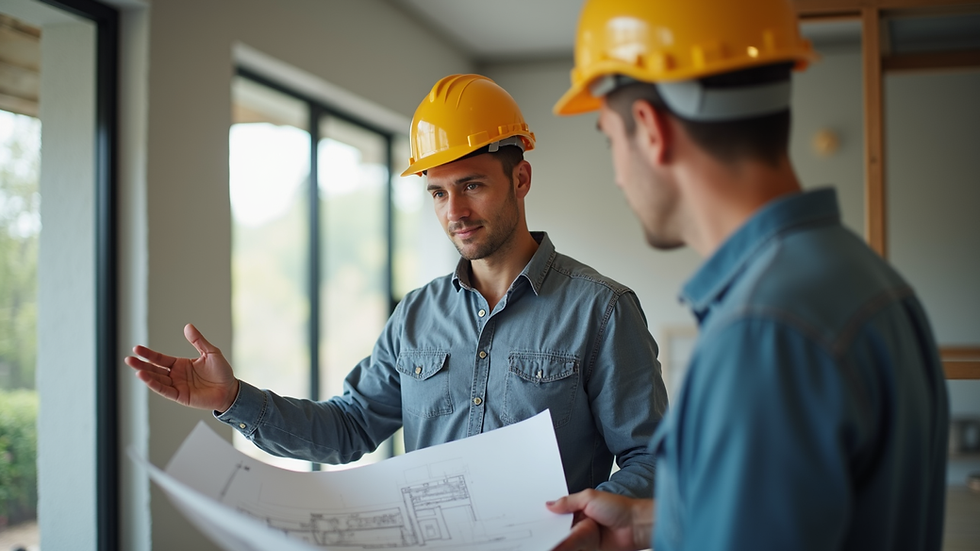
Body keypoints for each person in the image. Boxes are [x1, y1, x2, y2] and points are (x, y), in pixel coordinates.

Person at [126, 73, 669, 498]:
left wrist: (577, 525)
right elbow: (348, 428)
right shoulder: (415, 316)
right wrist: (234, 399)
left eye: (472, 186)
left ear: (520, 179)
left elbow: (652, 461)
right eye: (438, 193)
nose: (454, 212)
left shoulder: (602, 310)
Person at [545, 0, 950, 550]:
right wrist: (645, 524)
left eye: (609, 139)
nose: (617, 174)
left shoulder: (763, 333)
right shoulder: (864, 279)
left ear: (650, 128)